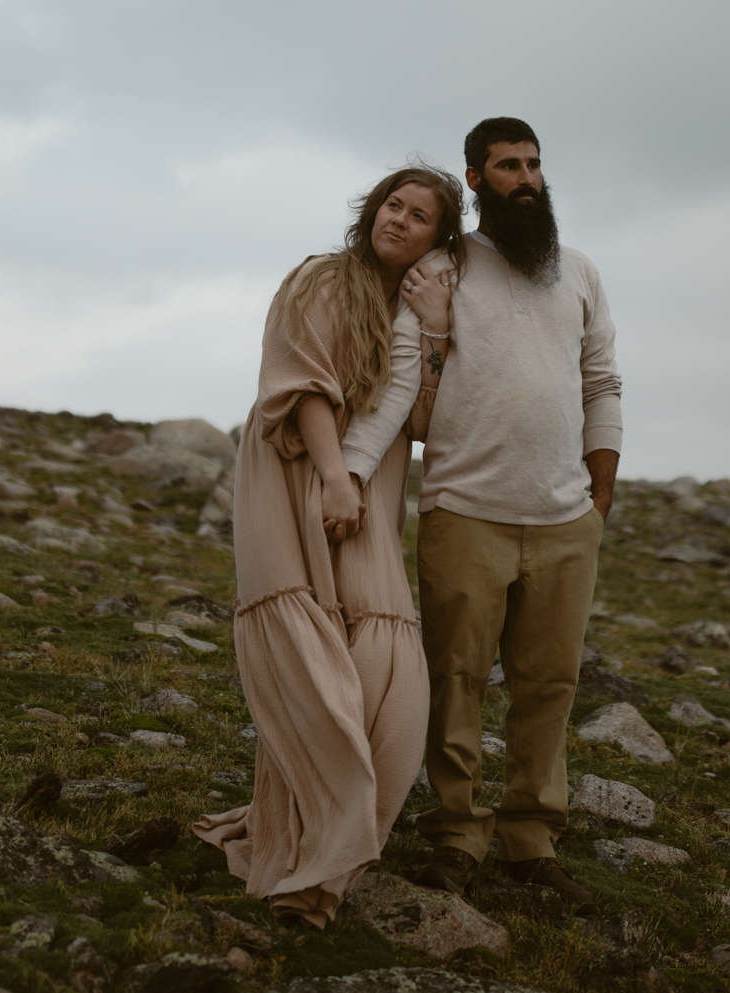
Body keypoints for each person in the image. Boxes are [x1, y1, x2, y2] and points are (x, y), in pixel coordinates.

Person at [340, 117, 622, 916]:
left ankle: (533, 841)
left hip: (566, 519)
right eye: (508, 165)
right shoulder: (441, 269)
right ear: (474, 178)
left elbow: (603, 384)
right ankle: (456, 835)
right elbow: (411, 397)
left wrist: (599, 500)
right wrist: (352, 471)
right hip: (466, 510)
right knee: (454, 679)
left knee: (549, 684)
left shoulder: (579, 273)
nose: (526, 177)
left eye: (534, 163)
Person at [192, 163, 466, 929]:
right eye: (392, 204)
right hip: (294, 466)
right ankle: (307, 872)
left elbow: (424, 422)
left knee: (386, 668)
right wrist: (331, 479)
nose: (399, 220)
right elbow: (303, 386)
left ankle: (330, 848)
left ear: (437, 240)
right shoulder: (322, 279)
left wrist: (438, 324)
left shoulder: (415, 305)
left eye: (419, 217)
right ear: (371, 209)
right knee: (310, 656)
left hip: (368, 478)